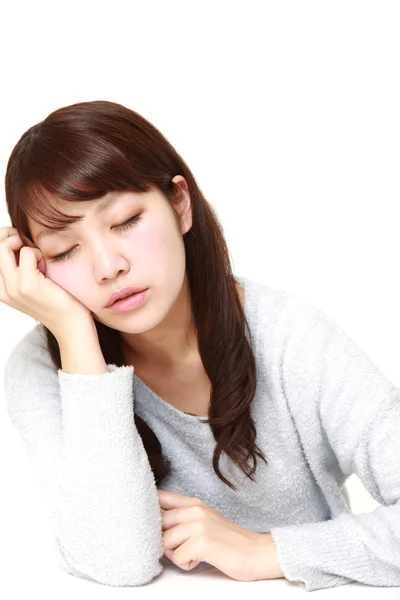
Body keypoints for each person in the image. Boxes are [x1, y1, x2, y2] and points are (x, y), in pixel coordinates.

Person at [2, 100, 400, 592]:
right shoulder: (43, 367)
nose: (107, 266)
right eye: (64, 250)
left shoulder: (292, 340)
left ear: (179, 204)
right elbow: (117, 563)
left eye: (125, 220)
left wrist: (265, 550)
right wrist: (74, 335)